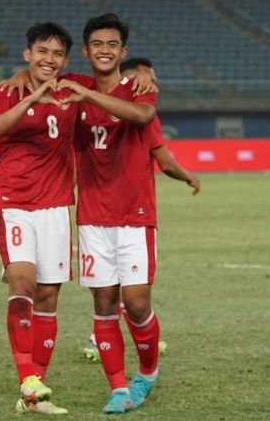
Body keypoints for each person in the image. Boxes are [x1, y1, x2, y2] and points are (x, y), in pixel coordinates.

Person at [54, 13, 164, 414]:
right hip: (93, 218)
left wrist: (90, 96)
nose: (104, 50)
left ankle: (148, 372)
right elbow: (40, 69)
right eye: (97, 44)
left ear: (123, 52)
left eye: (112, 44)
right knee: (103, 304)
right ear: (85, 51)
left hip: (135, 215)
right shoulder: (75, 84)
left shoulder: (138, 87)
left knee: (135, 303)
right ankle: (118, 387)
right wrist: (18, 74)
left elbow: (142, 116)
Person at [0, 22, 77, 416]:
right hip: (15, 202)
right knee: (22, 282)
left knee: (49, 296)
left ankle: (33, 393)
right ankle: (28, 377)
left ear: (65, 60)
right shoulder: (8, 90)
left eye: (56, 54)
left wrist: (141, 73)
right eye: (41, 51)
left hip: (55, 206)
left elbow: (109, 79)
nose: (48, 59)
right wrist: (32, 94)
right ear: (27, 54)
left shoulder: (74, 91)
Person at [81, 57, 200, 364]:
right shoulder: (142, 114)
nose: (153, 85)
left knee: (113, 289)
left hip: (98, 213)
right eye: (149, 78)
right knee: (131, 291)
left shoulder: (94, 104)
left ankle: (100, 339)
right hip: (130, 212)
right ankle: (133, 349)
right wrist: (187, 176)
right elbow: (165, 161)